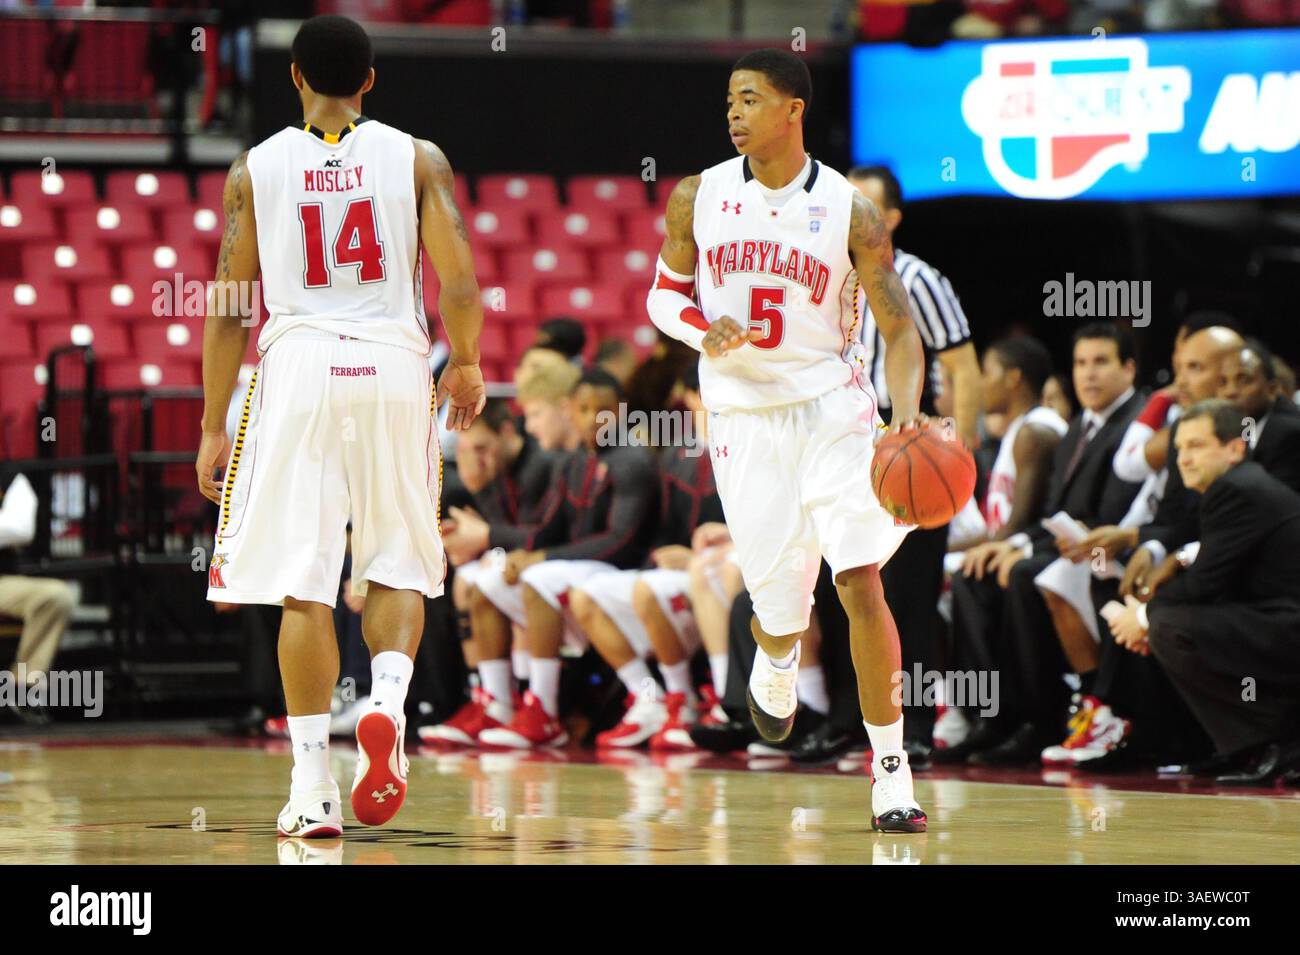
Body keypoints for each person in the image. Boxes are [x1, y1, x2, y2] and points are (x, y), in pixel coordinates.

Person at [195, 15, 486, 838]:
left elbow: (227, 306)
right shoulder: (418, 157)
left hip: (298, 368)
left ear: (293, 78)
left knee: (304, 583)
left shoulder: (256, 169)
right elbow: (457, 278)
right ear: (370, 80)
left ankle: (312, 787)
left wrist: (215, 423)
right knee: (397, 558)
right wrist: (464, 362)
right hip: (394, 364)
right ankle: (387, 703)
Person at [646, 48, 929, 832]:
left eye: (748, 99)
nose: (732, 113)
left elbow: (900, 329)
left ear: (792, 109)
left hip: (832, 408)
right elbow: (662, 298)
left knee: (858, 576)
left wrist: (904, 413)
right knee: (779, 606)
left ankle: (891, 772)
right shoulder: (697, 195)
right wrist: (705, 329)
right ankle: (775, 653)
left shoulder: (849, 209)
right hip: (744, 415)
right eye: (728, 100)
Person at [842, 165, 982, 759]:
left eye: (864, 205)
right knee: (841, 592)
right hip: (842, 447)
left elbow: (966, 370)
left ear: (891, 218)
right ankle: (852, 726)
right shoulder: (825, 278)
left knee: (909, 597)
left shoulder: (920, 280)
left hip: (907, 449)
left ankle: (917, 728)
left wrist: (960, 460)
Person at [1108, 399, 1300, 785]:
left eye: (1197, 446)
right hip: (1275, 618)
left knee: (1169, 628)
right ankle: (1245, 748)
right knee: (1170, 624)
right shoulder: (1240, 485)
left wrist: (1142, 618)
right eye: (1179, 448)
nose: (1183, 459)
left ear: (1234, 448)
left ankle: (1276, 743)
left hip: (1288, 627)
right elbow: (1221, 564)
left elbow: (1204, 585)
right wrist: (1177, 563)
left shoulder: (1236, 488)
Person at [475, 368, 660, 749]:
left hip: (622, 569)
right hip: (579, 567)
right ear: (571, 411)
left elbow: (619, 541)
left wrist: (541, 557)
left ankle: (544, 711)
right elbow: (549, 526)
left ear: (622, 412)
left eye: (604, 410)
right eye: (585, 409)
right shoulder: (575, 461)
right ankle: (501, 703)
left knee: (540, 579)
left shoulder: (631, 462)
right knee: (488, 579)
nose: (594, 418)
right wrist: (517, 554)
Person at [0, 472, 77, 727]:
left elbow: (20, 528)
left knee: (56, 596)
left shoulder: (12, 478)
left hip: (3, 582)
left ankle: (20, 691)